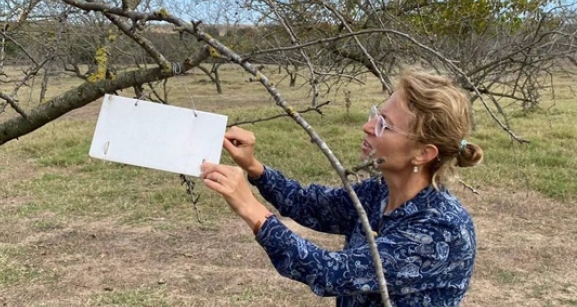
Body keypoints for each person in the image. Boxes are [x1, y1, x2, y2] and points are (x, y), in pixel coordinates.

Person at [200, 69, 483, 306]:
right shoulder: (380, 192)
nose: (368, 126)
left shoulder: (441, 231)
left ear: (423, 154)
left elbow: (330, 273)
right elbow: (309, 204)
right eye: (376, 114)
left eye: (385, 124)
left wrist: (252, 210)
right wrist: (255, 168)